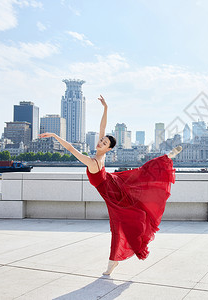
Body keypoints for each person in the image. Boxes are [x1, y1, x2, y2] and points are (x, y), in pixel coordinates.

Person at [39, 95, 182, 276]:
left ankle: (112, 263)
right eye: (101, 140)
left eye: (104, 143)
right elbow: (102, 128)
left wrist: (54, 135)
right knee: (140, 176)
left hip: (112, 192)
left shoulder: (93, 161)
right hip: (114, 182)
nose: (100, 142)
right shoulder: (101, 155)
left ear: (108, 149)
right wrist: (105, 108)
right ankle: (166, 158)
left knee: (119, 225)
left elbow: (71, 149)